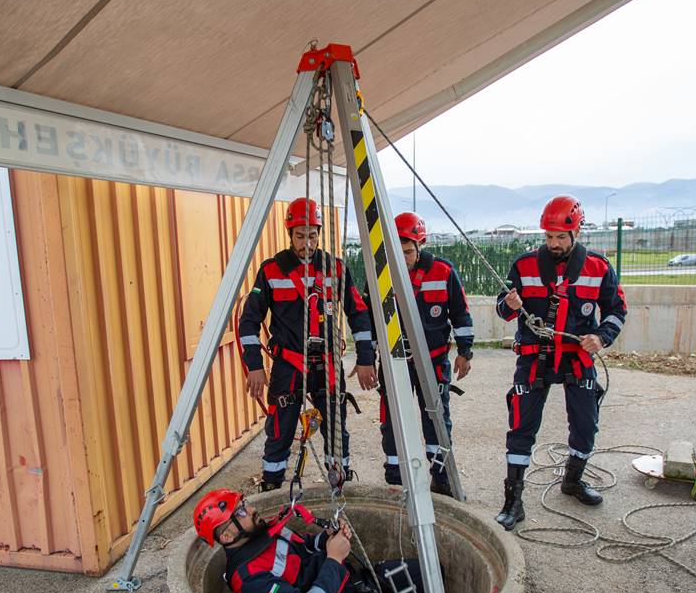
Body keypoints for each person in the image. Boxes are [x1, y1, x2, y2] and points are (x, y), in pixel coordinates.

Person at [494, 195, 627, 530]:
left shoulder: (598, 268)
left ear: (576, 233)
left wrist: (601, 336)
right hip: (534, 358)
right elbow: (504, 310)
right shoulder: (524, 267)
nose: (553, 244)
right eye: (549, 237)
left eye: (560, 238)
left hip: (577, 358)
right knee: (521, 427)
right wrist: (509, 305)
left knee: (585, 424)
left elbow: (616, 310)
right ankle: (513, 500)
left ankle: (573, 480)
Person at [238, 197, 377, 490]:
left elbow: (359, 313)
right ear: (290, 234)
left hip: (327, 364)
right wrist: (254, 366)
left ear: (319, 233)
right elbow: (248, 321)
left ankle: (340, 487)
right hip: (288, 366)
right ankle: (272, 487)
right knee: (280, 431)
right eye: (300, 236)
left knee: (337, 431)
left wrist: (366, 358)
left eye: (313, 235)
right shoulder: (272, 270)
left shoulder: (335, 268)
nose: (307, 243)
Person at [193, 489, 433, 593]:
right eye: (241, 511)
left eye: (244, 503)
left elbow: (304, 545)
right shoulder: (251, 584)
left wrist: (327, 538)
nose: (251, 509)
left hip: (356, 583)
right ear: (226, 536)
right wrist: (334, 558)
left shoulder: (264, 532)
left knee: (431, 573)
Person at [378, 212, 475, 496]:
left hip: (433, 360)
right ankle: (395, 478)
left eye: (407, 252)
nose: (402, 258)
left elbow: (461, 314)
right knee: (392, 420)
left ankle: (441, 477)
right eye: (397, 251)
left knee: (436, 418)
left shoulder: (443, 272)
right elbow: (369, 318)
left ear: (420, 246)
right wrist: (364, 359)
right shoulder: (382, 273)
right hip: (395, 360)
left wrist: (465, 352)